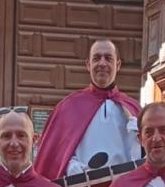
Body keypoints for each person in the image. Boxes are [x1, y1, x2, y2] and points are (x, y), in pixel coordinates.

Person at [34, 39, 142, 179]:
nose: (102, 63)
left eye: (108, 58)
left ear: (118, 64)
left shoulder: (133, 109)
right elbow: (53, 156)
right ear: (88, 64)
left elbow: (147, 156)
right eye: (96, 58)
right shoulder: (69, 107)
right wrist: (70, 166)